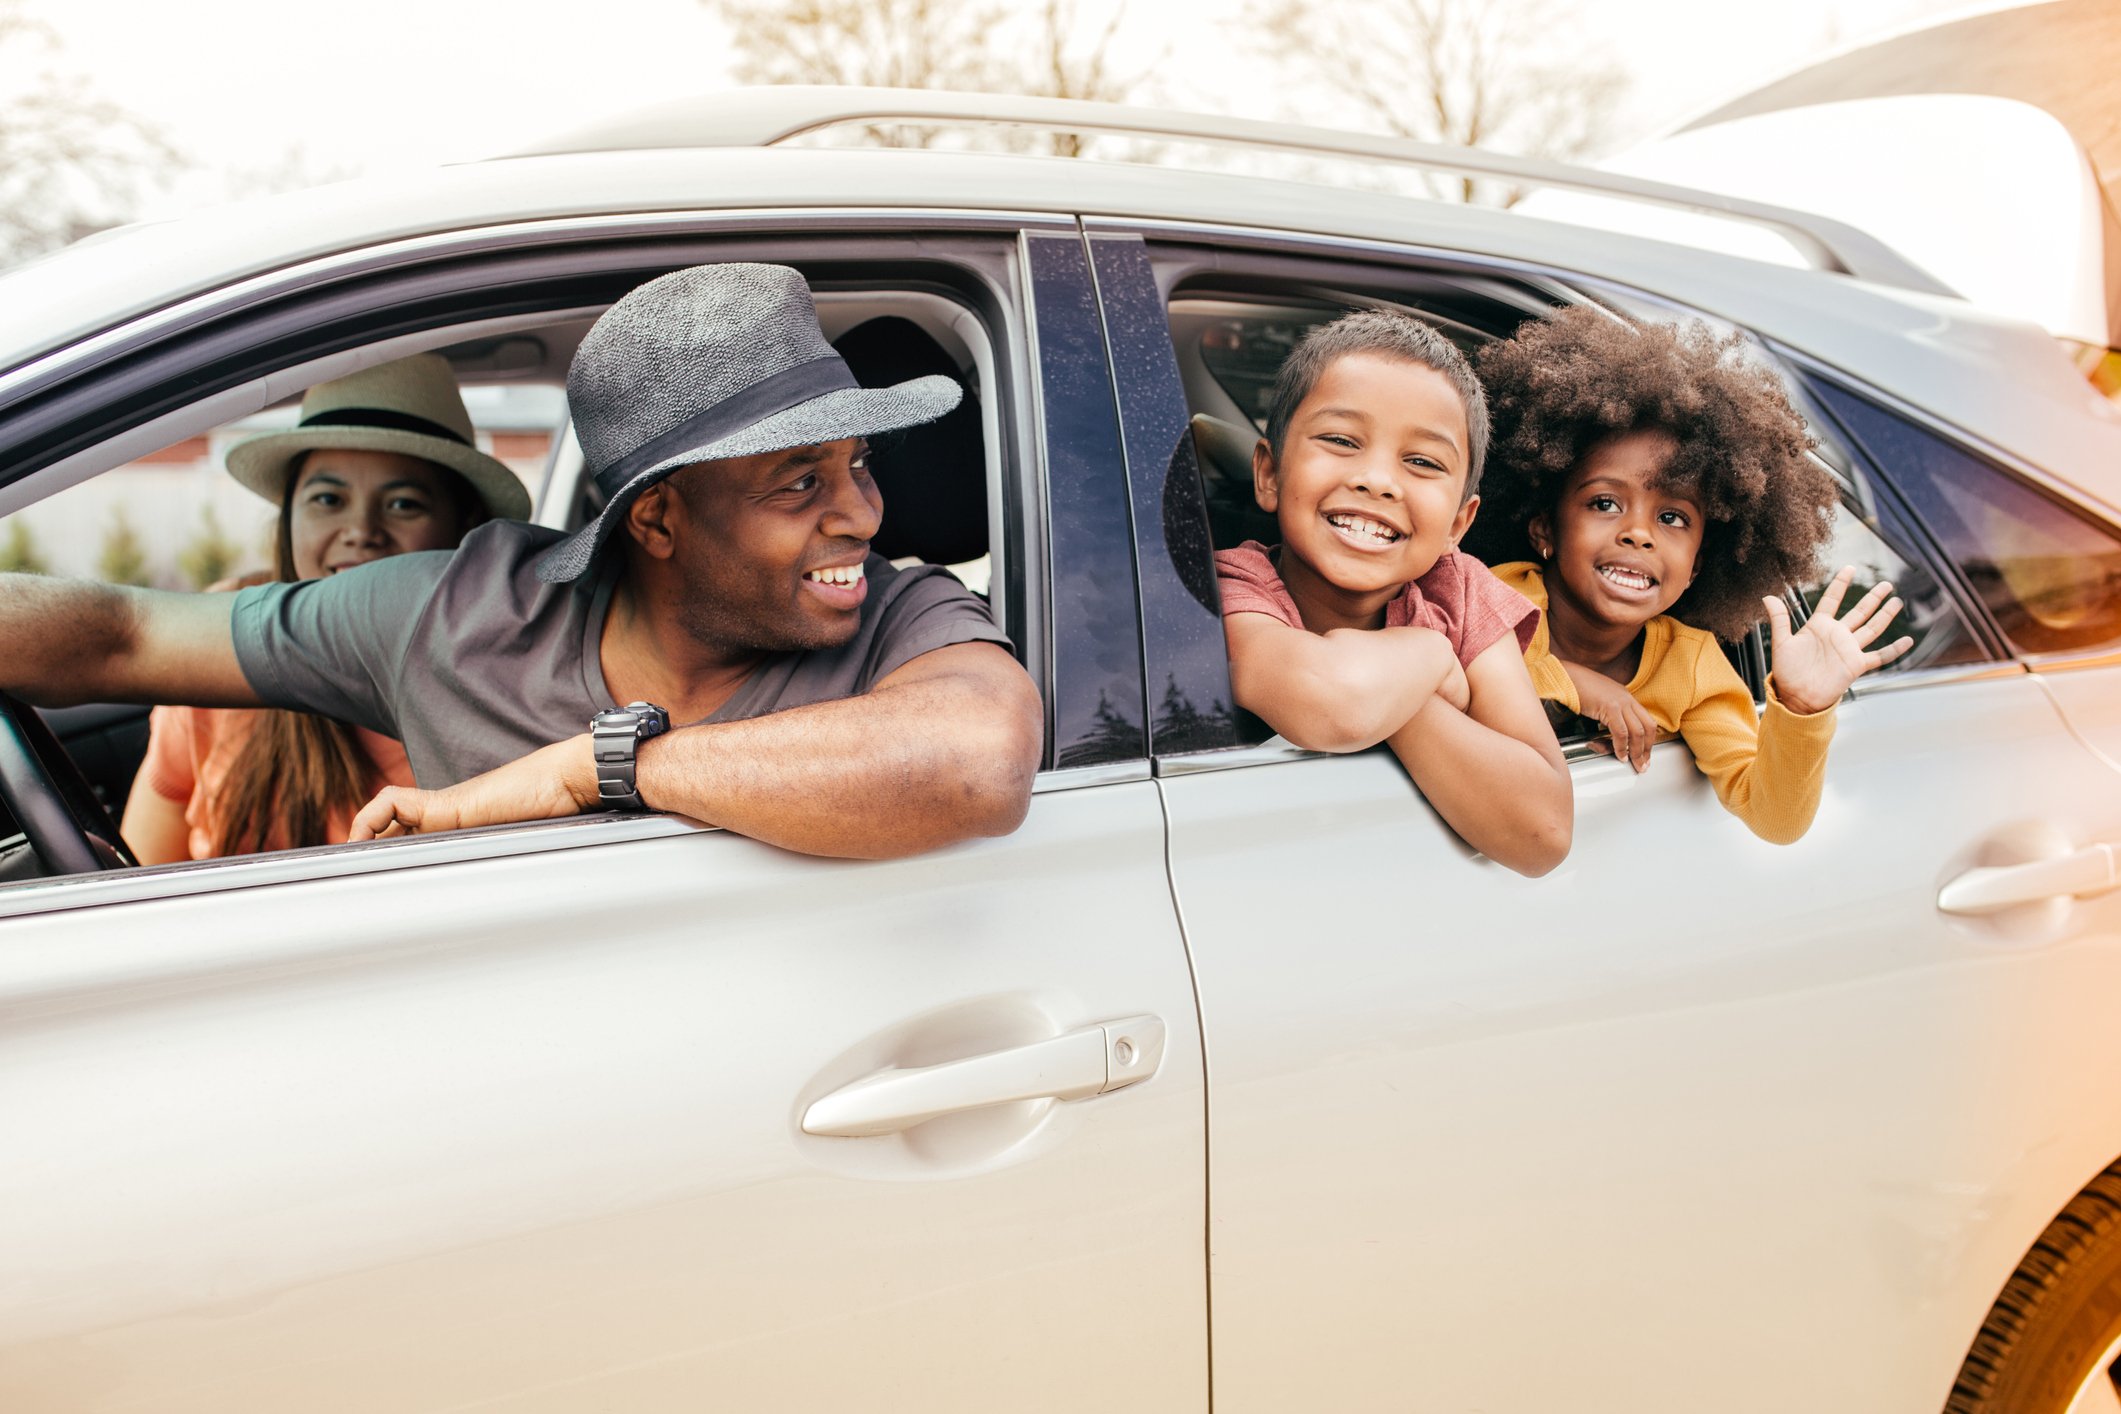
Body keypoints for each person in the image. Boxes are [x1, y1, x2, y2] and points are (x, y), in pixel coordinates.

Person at [6, 263, 1043, 860]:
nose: (862, 512)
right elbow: (124, 632)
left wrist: (587, 770)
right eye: (799, 481)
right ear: (659, 520)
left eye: (860, 465)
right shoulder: (450, 615)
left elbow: (979, 759)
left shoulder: (904, 619)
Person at [1465, 307, 1913, 845]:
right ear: (1545, 530)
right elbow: (1457, 658)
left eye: (1672, 517)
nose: (1639, 534)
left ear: (1698, 566)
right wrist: (1589, 689)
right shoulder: (1496, 592)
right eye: (1605, 503)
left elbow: (1774, 818)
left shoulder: (1692, 666)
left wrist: (1801, 707)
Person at [119, 355, 532, 863]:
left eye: (404, 503)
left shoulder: (506, 682)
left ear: (464, 529)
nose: (361, 530)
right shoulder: (218, 643)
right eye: (328, 499)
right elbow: (136, 882)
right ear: (288, 518)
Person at [1214, 310, 1572, 878]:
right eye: (1339, 439)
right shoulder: (1234, 587)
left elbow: (1543, 833)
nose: (1378, 479)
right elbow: (1332, 702)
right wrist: (1431, 658)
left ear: (1459, 523)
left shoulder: (1458, 589)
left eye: (1422, 462)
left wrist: (1402, 696)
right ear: (1270, 474)